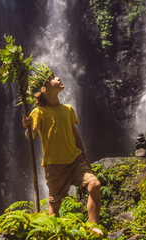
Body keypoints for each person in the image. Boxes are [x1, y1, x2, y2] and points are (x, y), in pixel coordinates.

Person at [22, 64, 103, 234]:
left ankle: (93, 227)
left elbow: (76, 136)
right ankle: (52, 233)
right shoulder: (38, 112)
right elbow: (31, 136)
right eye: (52, 78)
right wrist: (27, 126)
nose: (58, 78)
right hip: (55, 166)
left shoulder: (68, 109)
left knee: (94, 185)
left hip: (75, 161)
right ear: (44, 89)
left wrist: (85, 157)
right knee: (55, 204)